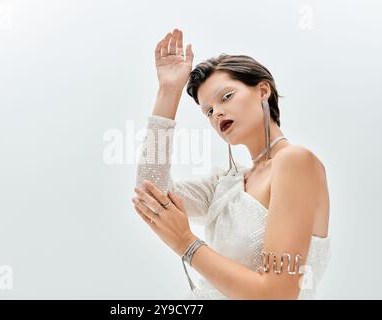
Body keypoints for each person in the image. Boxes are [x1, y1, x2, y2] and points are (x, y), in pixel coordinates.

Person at [132, 28, 331, 299]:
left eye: (226, 97)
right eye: (209, 111)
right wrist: (168, 92)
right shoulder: (226, 182)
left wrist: (187, 244)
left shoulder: (295, 162)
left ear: (263, 90)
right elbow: (150, 192)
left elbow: (278, 294)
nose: (218, 113)